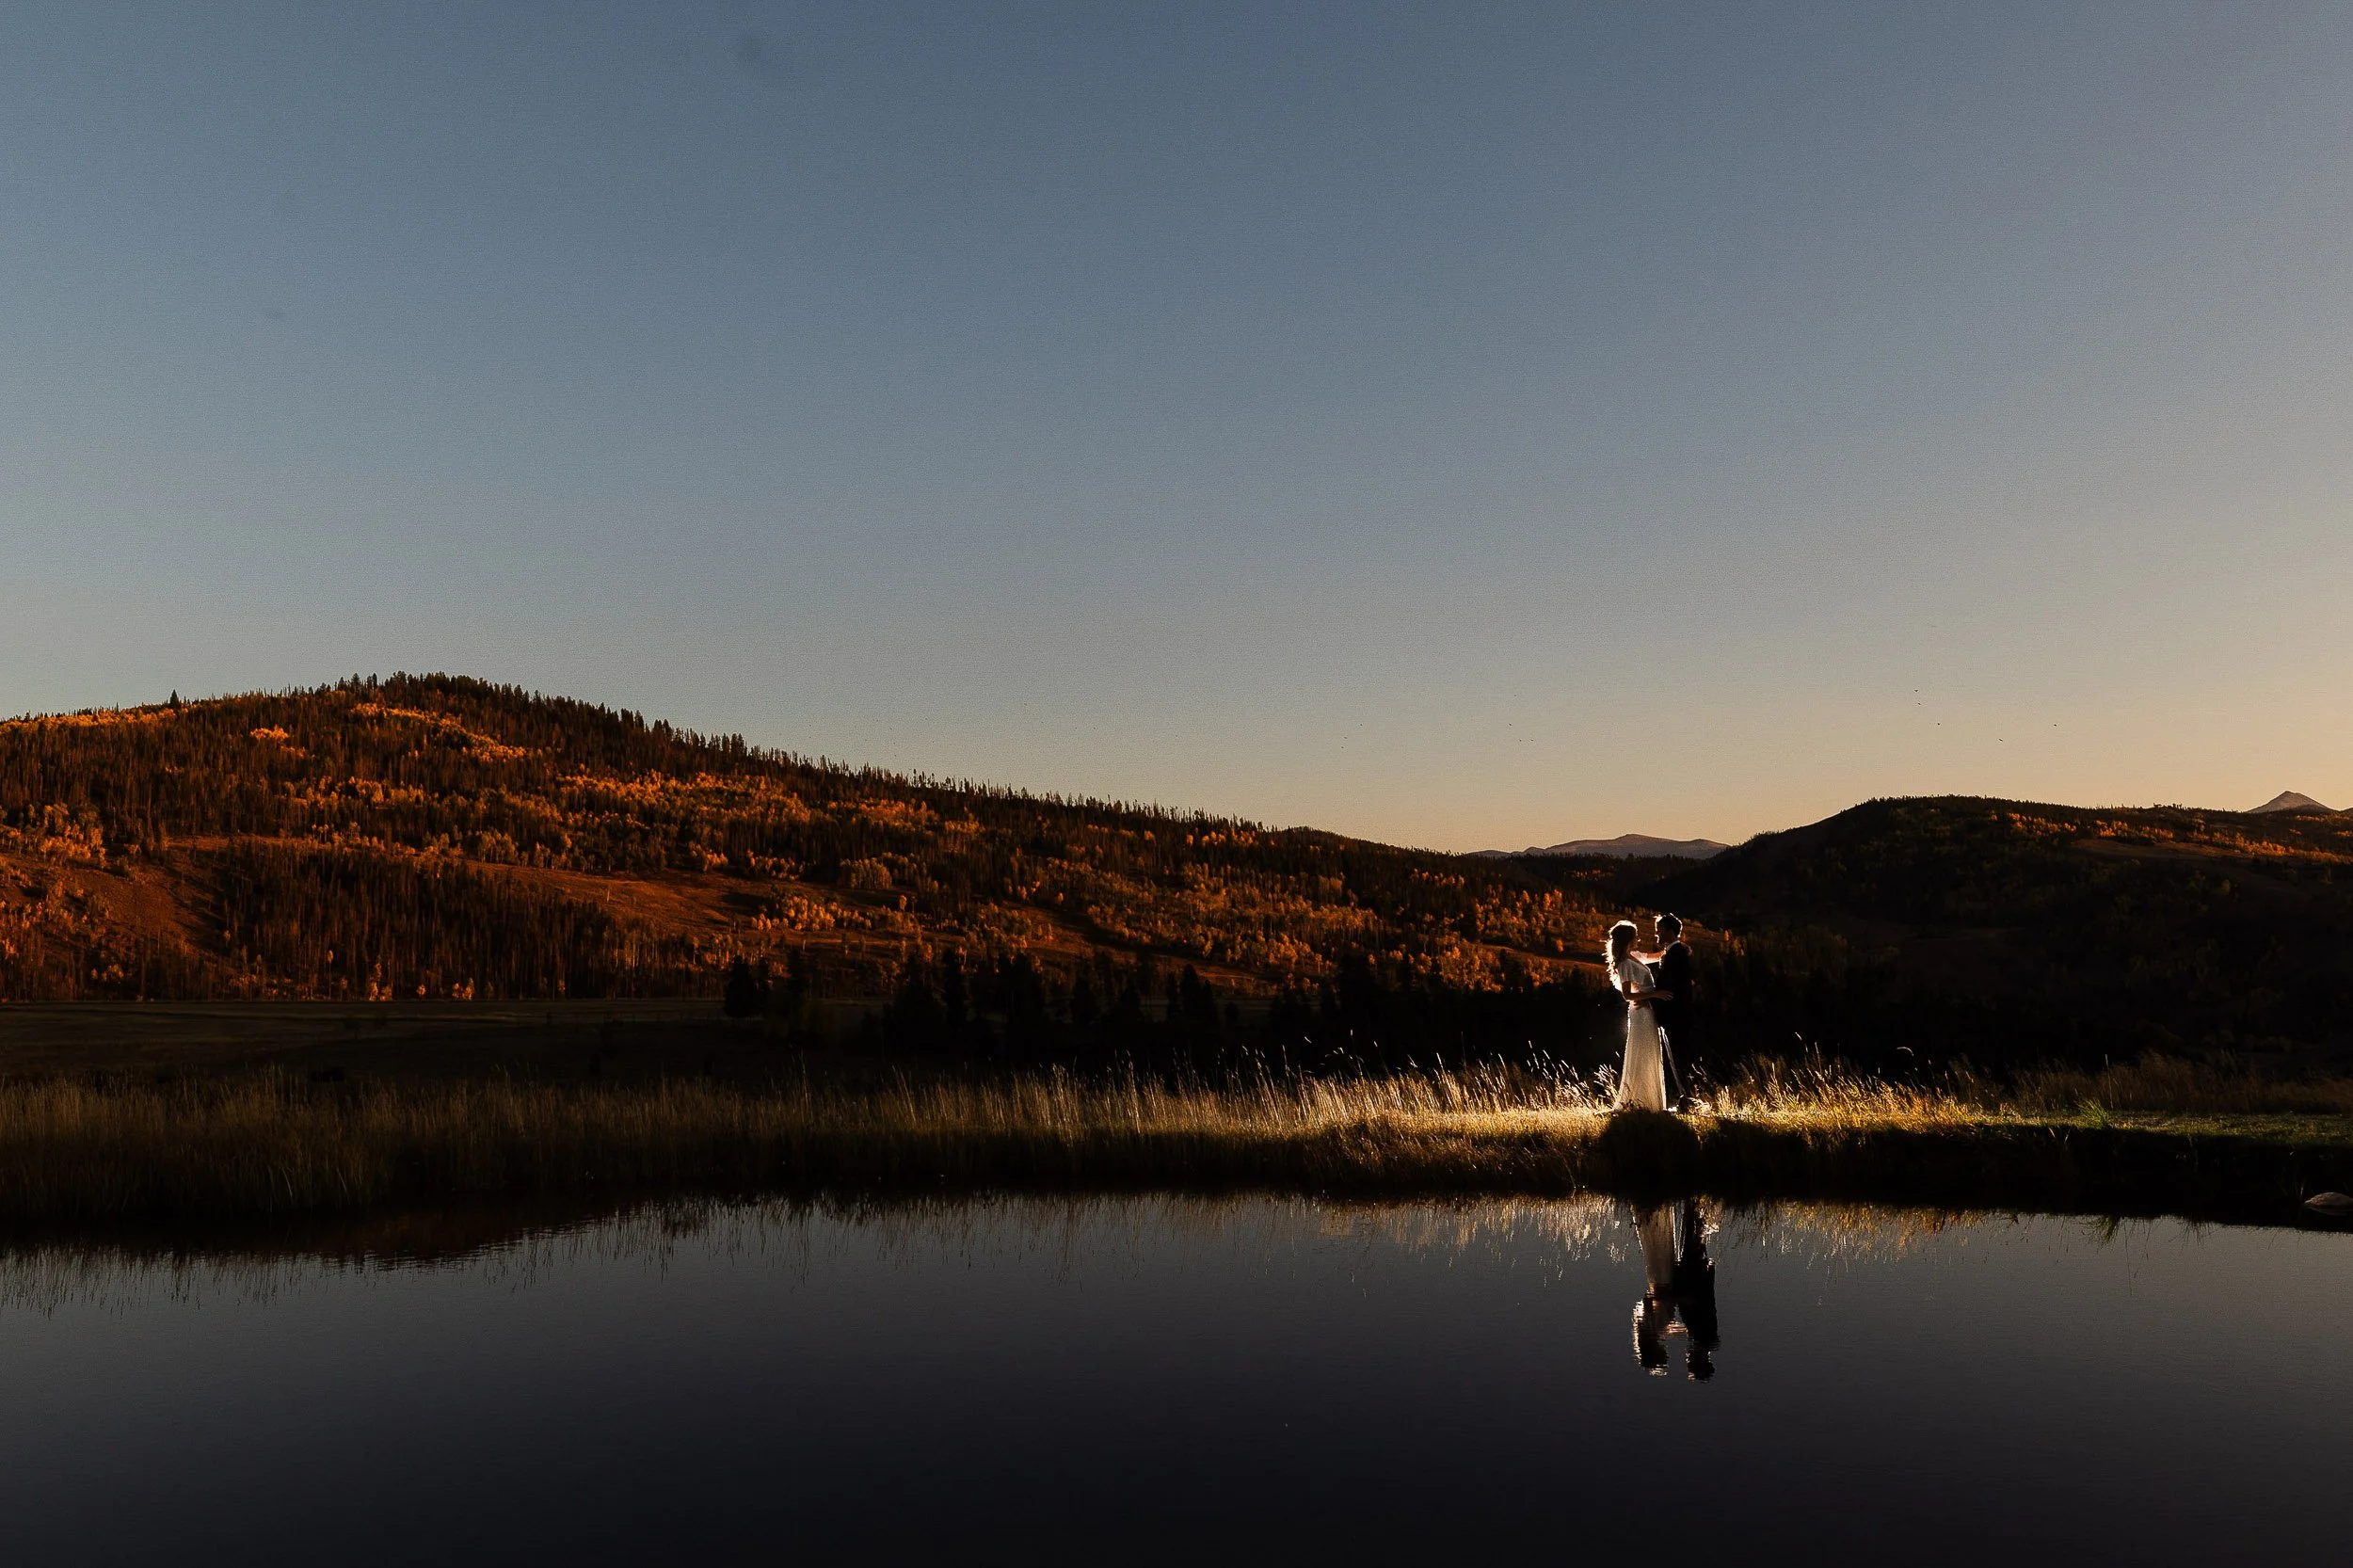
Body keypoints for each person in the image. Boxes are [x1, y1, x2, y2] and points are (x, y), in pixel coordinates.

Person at [1606, 920, 1669, 1112]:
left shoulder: (1634, 956)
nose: (1638, 938)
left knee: (1650, 1052)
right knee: (1643, 1051)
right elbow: (1627, 995)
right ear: (1628, 939)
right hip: (1641, 1011)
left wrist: (1675, 947)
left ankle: (1648, 1100)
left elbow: (1658, 956)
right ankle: (1639, 1102)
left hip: (1647, 1009)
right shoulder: (1625, 964)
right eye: (1635, 936)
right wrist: (1654, 994)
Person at [1639, 915, 1696, 1106]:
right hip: (1674, 1014)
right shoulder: (1674, 952)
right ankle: (1686, 1097)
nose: (1657, 933)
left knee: (1679, 1057)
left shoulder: (1677, 953)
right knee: (1676, 1057)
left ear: (1670, 932)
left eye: (1660, 930)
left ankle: (1688, 1099)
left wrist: (1653, 997)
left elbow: (1675, 985)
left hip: (1675, 1014)